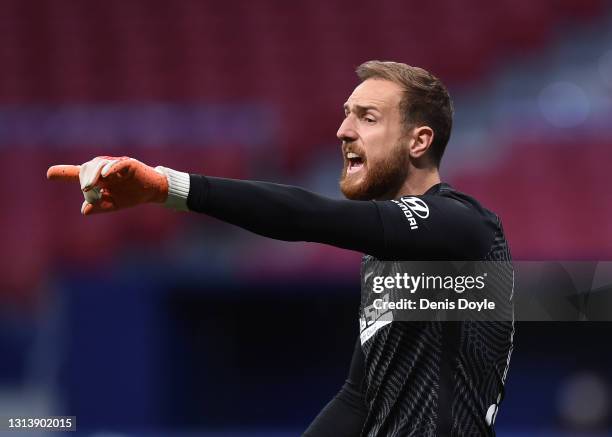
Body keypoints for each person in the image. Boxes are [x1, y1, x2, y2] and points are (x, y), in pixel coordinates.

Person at [47, 60, 514, 436]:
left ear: (419, 140)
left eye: (367, 118)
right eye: (345, 113)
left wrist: (167, 187)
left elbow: (309, 216)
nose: (342, 131)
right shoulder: (389, 257)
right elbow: (360, 397)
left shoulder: (465, 228)